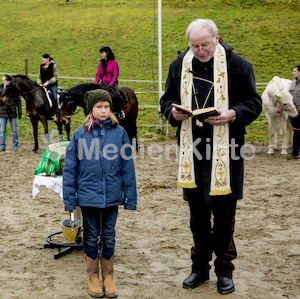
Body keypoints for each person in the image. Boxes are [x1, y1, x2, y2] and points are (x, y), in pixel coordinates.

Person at [160, 19, 262, 295]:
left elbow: (254, 103)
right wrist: (173, 112)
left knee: (225, 217)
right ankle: (199, 269)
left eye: (204, 44)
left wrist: (232, 114)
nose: (200, 50)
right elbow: (166, 100)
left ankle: (225, 271)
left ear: (217, 38)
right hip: (192, 154)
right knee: (198, 218)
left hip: (227, 154)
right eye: (195, 45)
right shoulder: (178, 66)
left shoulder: (239, 66)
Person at [63, 89, 137, 298]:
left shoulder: (119, 133)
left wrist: (129, 197)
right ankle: (92, 276)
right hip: (88, 196)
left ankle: (108, 276)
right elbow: (70, 168)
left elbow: (127, 166)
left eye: (106, 107)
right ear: (90, 110)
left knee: (109, 235)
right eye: (99, 107)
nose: (103, 111)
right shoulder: (79, 134)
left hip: (112, 195)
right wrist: (70, 199)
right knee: (90, 235)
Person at [95, 46, 125, 119]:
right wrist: (95, 84)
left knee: (117, 94)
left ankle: (120, 110)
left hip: (112, 83)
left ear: (107, 53)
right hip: (103, 83)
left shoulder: (114, 63)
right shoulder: (100, 64)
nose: (101, 55)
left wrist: (111, 83)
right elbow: (98, 74)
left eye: (102, 53)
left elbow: (115, 74)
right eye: (101, 53)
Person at [0, 76, 22, 152]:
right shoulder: (0, 90)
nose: (4, 82)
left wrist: (19, 111)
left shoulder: (14, 90)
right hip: (2, 113)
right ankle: (2, 146)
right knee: (2, 130)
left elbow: (18, 101)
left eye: (5, 80)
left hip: (12, 112)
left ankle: (15, 146)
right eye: (3, 80)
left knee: (14, 130)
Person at [37, 53, 59, 121]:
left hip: (52, 85)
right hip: (43, 85)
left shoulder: (53, 66)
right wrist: (39, 83)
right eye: (42, 58)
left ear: (48, 59)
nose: (42, 60)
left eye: (44, 58)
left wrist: (48, 82)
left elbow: (55, 77)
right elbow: (39, 77)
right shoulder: (41, 66)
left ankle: (56, 113)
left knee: (55, 97)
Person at [288, 64, 300, 159]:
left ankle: (295, 153)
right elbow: (288, 98)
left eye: (295, 71)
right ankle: (295, 153)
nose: (293, 73)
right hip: (294, 113)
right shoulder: (292, 84)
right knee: (296, 133)